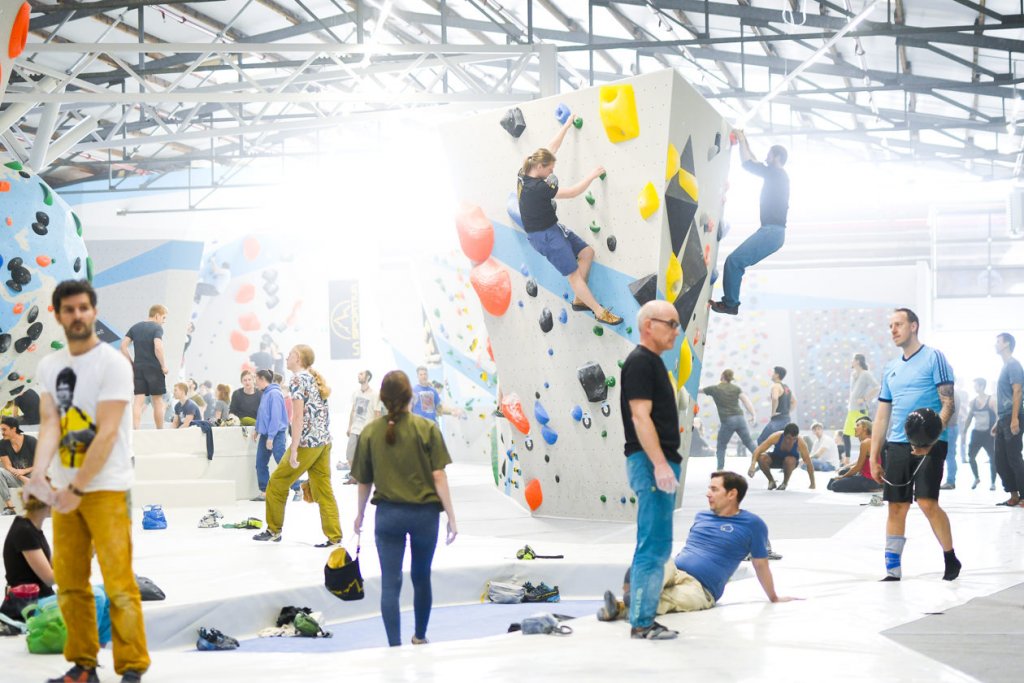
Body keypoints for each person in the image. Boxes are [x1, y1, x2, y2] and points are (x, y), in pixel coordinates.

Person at [24, 278, 149, 682]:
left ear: (93, 311)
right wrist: (39, 475)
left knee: (119, 583)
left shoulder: (113, 364)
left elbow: (109, 431)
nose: (77, 315)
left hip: (107, 488)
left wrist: (77, 488)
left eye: (83, 307)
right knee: (71, 584)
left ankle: (131, 669)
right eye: (69, 309)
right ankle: (83, 666)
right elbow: (49, 425)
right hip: (65, 493)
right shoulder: (49, 366)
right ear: (57, 315)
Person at [597, 471, 797, 622]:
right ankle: (639, 586)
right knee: (657, 559)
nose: (707, 494)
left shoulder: (753, 524)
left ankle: (622, 606)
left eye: (714, 489)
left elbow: (761, 565)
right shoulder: (701, 516)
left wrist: (774, 597)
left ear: (732, 494)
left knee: (671, 599)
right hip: (675, 569)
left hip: (702, 589)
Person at [352, 370, 458, 647]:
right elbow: (439, 476)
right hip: (424, 516)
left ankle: (394, 645)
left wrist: (360, 514)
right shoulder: (427, 429)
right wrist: (451, 517)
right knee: (422, 577)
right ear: (410, 395)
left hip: (388, 517)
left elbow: (364, 481)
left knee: (390, 582)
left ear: (382, 399)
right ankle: (420, 637)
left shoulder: (370, 432)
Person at [870, 307, 960, 582]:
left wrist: (930, 439)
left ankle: (950, 558)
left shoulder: (935, 358)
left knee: (926, 502)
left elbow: (948, 404)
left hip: (931, 444)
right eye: (890, 326)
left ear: (913, 326)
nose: (893, 330)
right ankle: (892, 570)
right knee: (896, 506)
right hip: (897, 444)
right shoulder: (891, 368)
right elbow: (883, 414)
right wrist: (874, 455)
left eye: (898, 324)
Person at [517, 118, 622, 325]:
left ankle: (579, 299)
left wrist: (566, 126)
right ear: (540, 167)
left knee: (587, 253)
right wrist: (592, 176)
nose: (552, 173)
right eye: (550, 170)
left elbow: (551, 147)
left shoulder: (525, 170)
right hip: (544, 236)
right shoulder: (537, 189)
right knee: (573, 275)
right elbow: (572, 192)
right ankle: (599, 312)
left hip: (552, 228)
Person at [619, 300, 683, 640]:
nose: (676, 330)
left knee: (657, 544)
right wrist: (659, 463)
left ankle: (643, 617)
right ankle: (642, 623)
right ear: (649, 326)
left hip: (657, 460)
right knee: (652, 545)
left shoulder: (652, 363)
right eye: (671, 323)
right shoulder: (641, 362)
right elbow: (640, 417)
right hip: (650, 461)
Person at [253, 345, 341, 547]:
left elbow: (298, 416)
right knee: (324, 490)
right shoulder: (313, 378)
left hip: (306, 443)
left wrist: (293, 448)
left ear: (299, 359)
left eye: (291, 355)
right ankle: (334, 535)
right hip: (323, 442)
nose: (287, 358)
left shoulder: (297, 380)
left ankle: (273, 530)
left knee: (276, 483)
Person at [710, 132, 789, 315]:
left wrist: (742, 141)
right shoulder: (777, 175)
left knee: (734, 262)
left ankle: (731, 304)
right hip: (772, 233)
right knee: (735, 262)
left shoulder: (776, 175)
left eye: (769, 154)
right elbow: (753, 160)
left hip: (772, 233)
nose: (766, 157)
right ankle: (730, 303)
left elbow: (748, 164)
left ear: (777, 158)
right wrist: (744, 140)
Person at [1, 494, 54, 623]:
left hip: (38, 598)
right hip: (29, 603)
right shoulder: (25, 531)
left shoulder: (32, 528)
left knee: (99, 594)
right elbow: (50, 579)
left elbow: (54, 565)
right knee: (96, 597)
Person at [251, 370, 299, 502]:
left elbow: (275, 418)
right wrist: (257, 429)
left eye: (255, 379)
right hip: (266, 434)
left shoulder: (274, 394)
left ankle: (298, 488)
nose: (255, 382)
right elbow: (263, 414)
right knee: (260, 463)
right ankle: (265, 492)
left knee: (282, 463)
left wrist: (271, 437)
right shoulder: (266, 393)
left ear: (262, 379)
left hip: (276, 434)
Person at [120, 304, 168, 430]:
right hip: (154, 368)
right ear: (157, 315)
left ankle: (136, 431)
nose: (164, 322)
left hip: (138, 368)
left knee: (138, 401)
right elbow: (158, 347)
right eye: (164, 318)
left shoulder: (135, 327)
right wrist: (164, 365)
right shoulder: (157, 328)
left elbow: (123, 346)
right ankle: (160, 432)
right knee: (157, 401)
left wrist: (132, 364)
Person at [700, 369, 758, 470]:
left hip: (728, 420)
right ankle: (762, 460)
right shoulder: (736, 388)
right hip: (740, 419)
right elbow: (746, 401)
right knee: (748, 442)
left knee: (721, 445)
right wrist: (753, 414)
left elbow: (699, 390)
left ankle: (720, 468)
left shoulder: (715, 388)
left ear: (722, 376)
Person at [993, 333, 1024, 507]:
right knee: (1000, 459)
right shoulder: (1005, 367)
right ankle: (1014, 495)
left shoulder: (1013, 365)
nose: (995, 345)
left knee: (1013, 457)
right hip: (1004, 417)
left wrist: (1014, 419)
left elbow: (1017, 391)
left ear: (1006, 344)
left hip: (1014, 416)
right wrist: (999, 422)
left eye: (998, 341)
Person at [748, 423, 815, 491]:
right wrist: (752, 465)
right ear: (784, 435)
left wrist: (812, 483)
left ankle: (785, 483)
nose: (791, 442)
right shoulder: (776, 436)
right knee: (762, 458)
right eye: (788, 438)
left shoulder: (801, 442)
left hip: (790, 463)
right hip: (775, 459)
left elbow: (808, 463)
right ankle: (771, 481)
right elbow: (758, 450)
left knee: (790, 460)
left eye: (794, 439)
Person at [828, 417, 882, 493]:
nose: (854, 428)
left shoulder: (866, 443)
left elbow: (858, 467)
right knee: (832, 481)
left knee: (834, 485)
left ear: (865, 428)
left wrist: (842, 477)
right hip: (870, 479)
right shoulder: (868, 441)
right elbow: (860, 465)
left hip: (869, 481)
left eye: (857, 425)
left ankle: (870, 488)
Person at [339, 370, 380, 470]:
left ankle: (363, 477)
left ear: (368, 377)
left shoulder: (375, 394)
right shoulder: (355, 393)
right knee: (349, 455)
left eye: (361, 374)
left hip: (366, 430)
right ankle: (355, 475)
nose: (359, 376)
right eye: (359, 374)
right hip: (355, 429)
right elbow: (353, 411)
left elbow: (377, 414)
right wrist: (349, 427)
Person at [842, 354, 877, 464]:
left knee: (863, 435)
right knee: (846, 434)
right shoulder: (853, 375)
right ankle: (847, 460)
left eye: (853, 359)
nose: (851, 362)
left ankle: (866, 459)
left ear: (857, 361)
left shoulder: (866, 374)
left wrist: (865, 398)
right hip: (852, 409)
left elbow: (877, 387)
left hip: (860, 409)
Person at [963, 377, 997, 491]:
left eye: (976, 385)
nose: (974, 387)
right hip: (977, 434)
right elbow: (969, 418)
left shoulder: (991, 400)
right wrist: (964, 432)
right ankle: (976, 478)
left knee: (993, 458)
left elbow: (998, 416)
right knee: (971, 457)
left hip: (988, 434)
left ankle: (993, 483)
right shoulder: (973, 402)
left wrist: (995, 427)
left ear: (982, 386)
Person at [0, 417, 35, 516]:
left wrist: (24, 472)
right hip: (16, 476)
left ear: (14, 429)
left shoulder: (31, 441)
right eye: (1, 429)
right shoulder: (2, 443)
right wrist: (21, 476)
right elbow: (8, 466)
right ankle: (10, 508)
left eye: (4, 429)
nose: (2, 432)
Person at [940, 380, 969, 490]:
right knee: (950, 455)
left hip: (949, 428)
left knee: (949, 455)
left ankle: (950, 481)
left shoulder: (950, 394)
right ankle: (950, 480)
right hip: (951, 427)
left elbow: (949, 412)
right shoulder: (954, 393)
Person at [757, 366, 796, 443]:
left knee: (761, 440)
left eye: (773, 373)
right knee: (781, 443)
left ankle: (759, 455)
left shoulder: (775, 386)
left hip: (778, 420)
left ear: (777, 375)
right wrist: (787, 412)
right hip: (787, 419)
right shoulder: (786, 388)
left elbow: (775, 398)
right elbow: (794, 401)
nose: (771, 374)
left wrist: (773, 412)